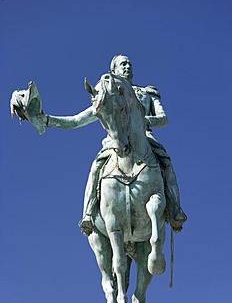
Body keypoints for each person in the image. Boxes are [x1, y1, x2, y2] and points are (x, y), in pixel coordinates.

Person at [79, 55, 187, 235]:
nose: (127, 66)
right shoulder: (107, 96)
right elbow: (78, 120)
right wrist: (46, 119)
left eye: (129, 63)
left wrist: (141, 119)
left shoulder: (146, 93)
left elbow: (163, 119)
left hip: (145, 138)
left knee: (166, 163)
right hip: (115, 142)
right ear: (114, 70)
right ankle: (89, 214)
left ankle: (175, 209)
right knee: (96, 167)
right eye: (123, 64)